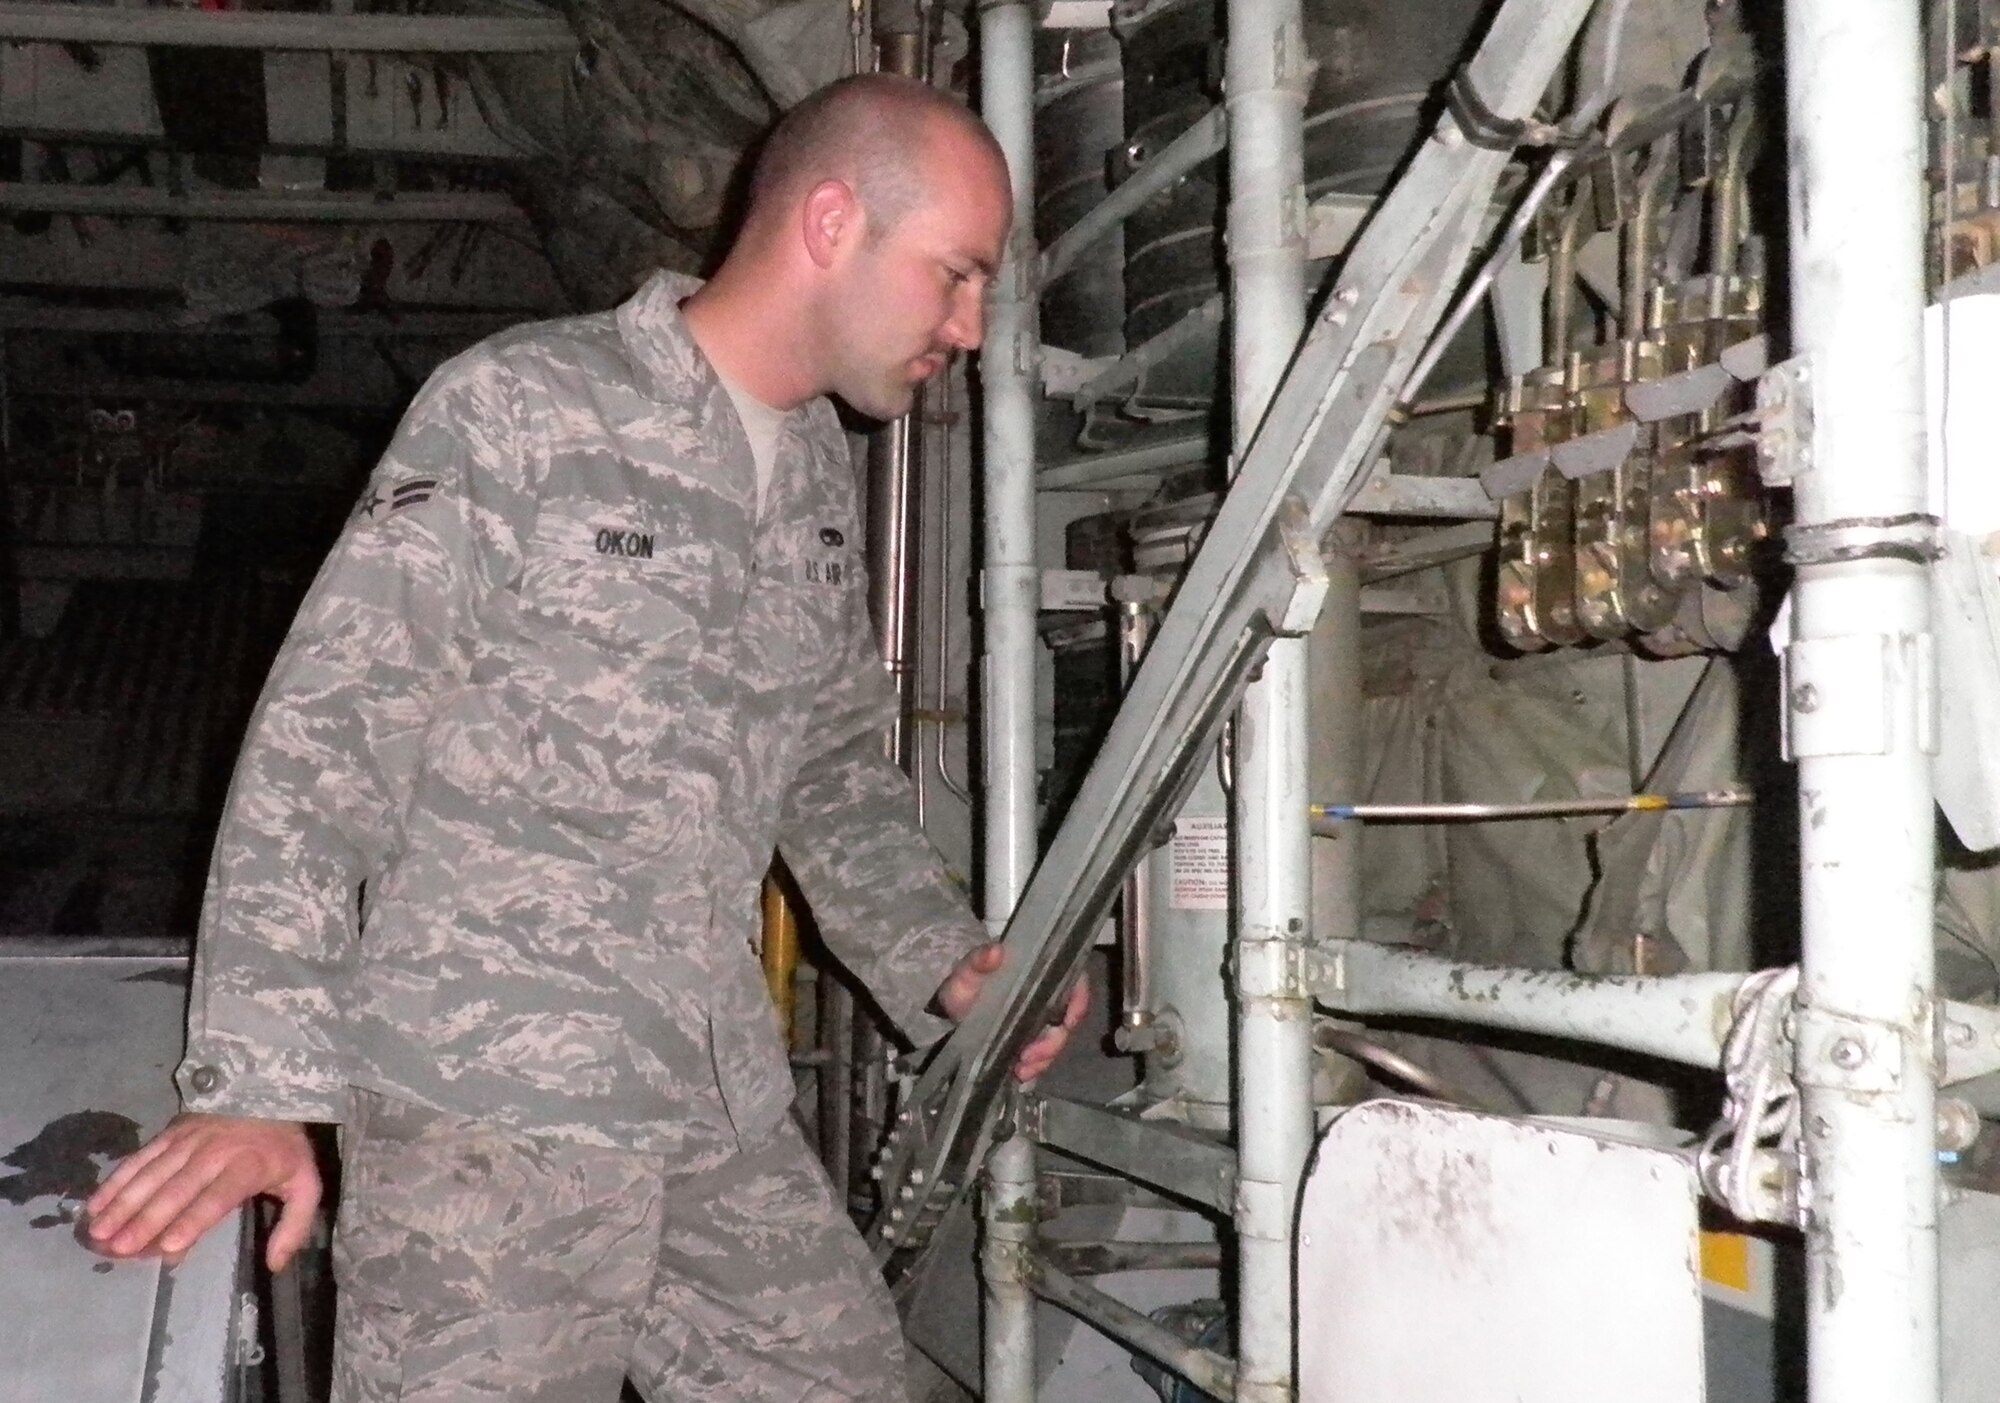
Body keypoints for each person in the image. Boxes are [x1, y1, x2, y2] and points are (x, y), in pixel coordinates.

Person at [84, 72, 1085, 1403]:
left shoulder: (813, 476)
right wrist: (259, 1082)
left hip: (710, 1096)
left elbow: (831, 771)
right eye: (955, 275)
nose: (965, 327)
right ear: (833, 222)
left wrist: (942, 959)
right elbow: (330, 733)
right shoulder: (525, 405)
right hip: (489, 1116)